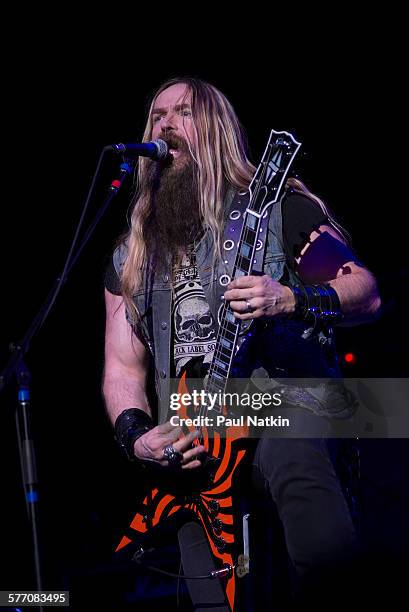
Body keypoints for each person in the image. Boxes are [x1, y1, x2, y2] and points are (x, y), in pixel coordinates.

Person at [103, 77, 381, 609]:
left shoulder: (277, 211)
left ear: (214, 129)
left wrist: (291, 298)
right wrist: (137, 437)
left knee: (294, 457)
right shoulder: (131, 254)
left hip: (280, 405)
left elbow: (364, 291)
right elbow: (120, 367)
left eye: (181, 113)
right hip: (197, 437)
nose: (164, 125)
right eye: (156, 116)